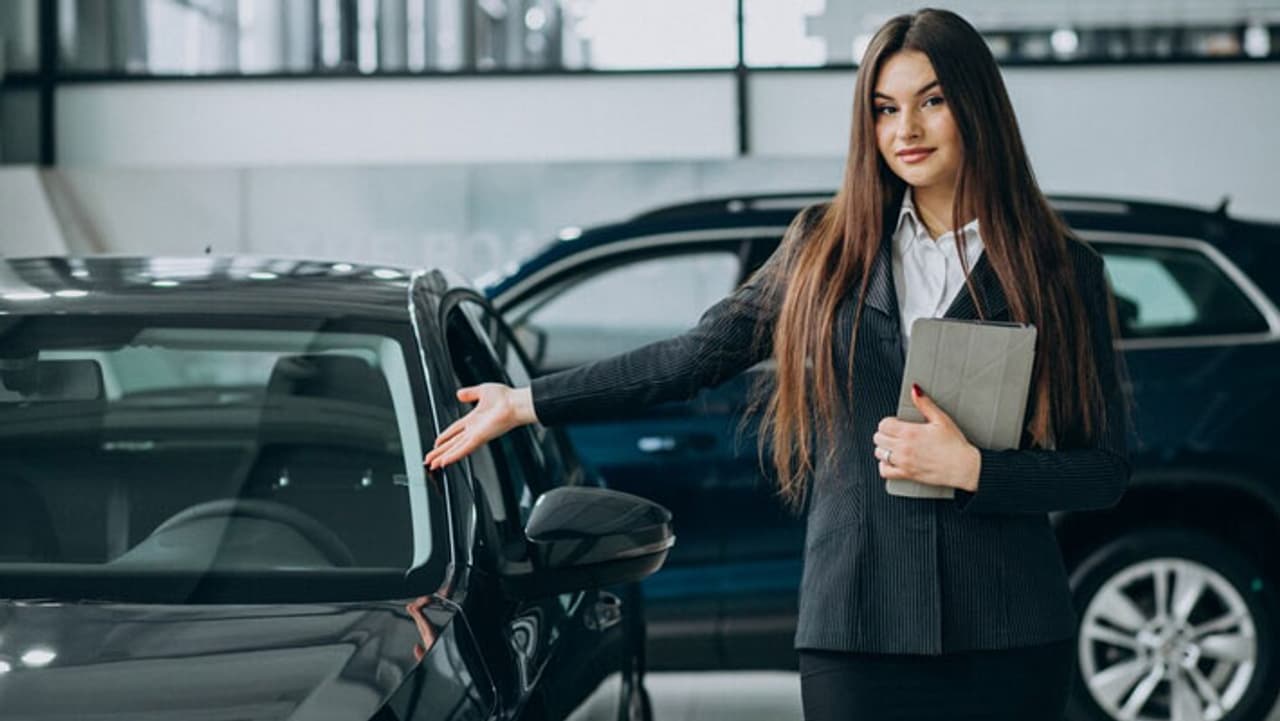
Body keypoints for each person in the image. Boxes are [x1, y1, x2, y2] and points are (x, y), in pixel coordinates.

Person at [425, 8, 1131, 720]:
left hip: (1008, 629)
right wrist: (526, 402)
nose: (905, 131)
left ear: (978, 106)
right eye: (885, 110)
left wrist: (974, 469)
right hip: (858, 626)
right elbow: (694, 357)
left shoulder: (1060, 270)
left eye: (932, 102)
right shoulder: (825, 247)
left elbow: (1103, 468)